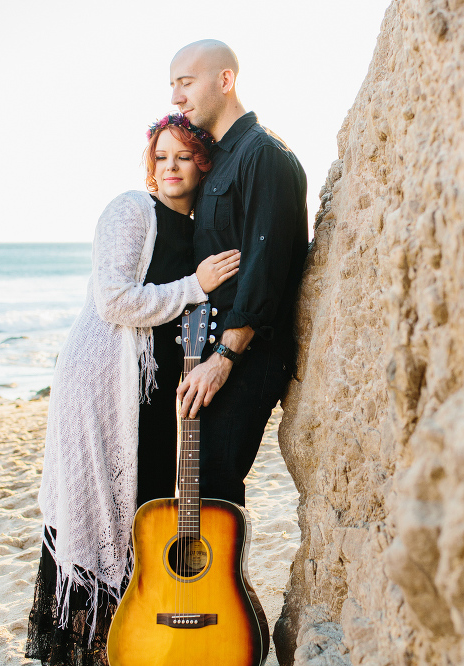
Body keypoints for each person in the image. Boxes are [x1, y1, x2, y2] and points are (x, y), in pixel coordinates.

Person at [25, 114, 238, 666]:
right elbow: (113, 299)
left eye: (184, 157)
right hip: (101, 386)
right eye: (161, 157)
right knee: (102, 510)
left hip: (151, 390)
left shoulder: (199, 230)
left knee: (142, 509)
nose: (170, 167)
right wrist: (196, 285)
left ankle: (130, 639)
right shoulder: (130, 209)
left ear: (204, 164)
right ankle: (86, 649)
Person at [171, 39, 309, 506]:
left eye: (185, 83)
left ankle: (223, 583)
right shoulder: (217, 161)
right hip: (210, 349)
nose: (176, 97)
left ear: (225, 80)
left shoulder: (263, 155)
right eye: (173, 86)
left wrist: (224, 358)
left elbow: (264, 269)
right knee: (196, 484)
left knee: (213, 484)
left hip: (247, 354)